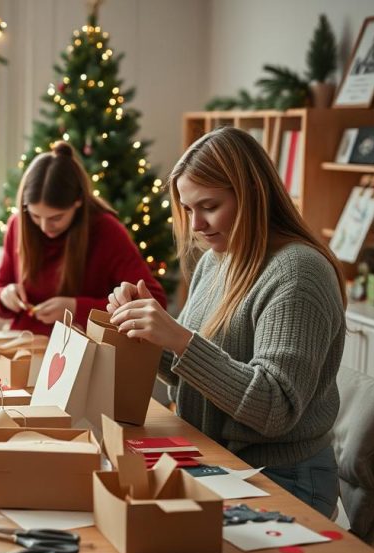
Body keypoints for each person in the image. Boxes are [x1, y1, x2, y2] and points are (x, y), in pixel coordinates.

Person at [107, 126, 345, 517]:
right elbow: (197, 373)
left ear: (252, 192)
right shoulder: (219, 259)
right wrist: (152, 331)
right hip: (220, 458)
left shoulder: (298, 273)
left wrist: (180, 339)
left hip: (281, 476)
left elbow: (275, 408)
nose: (196, 224)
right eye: (187, 209)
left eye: (209, 206)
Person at [0, 141, 166, 335]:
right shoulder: (19, 224)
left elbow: (153, 302)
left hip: (82, 350)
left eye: (56, 218)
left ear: (78, 201)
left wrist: (75, 308)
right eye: (35, 216)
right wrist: (3, 297)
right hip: (23, 345)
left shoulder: (107, 230)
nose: (44, 227)